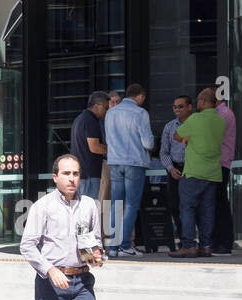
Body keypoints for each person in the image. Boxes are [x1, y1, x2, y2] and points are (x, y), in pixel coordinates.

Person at [20, 153, 104, 300]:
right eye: (66, 174)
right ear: (55, 177)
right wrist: (50, 269)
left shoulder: (89, 205)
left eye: (76, 174)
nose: (72, 179)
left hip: (82, 282)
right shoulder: (42, 206)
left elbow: (94, 241)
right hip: (51, 284)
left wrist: (96, 257)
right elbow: (27, 245)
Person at [169, 88, 227, 258]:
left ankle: (189, 245)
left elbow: (177, 135)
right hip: (213, 172)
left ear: (202, 101)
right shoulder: (220, 121)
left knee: (187, 208)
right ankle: (206, 246)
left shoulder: (195, 118)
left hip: (194, 171)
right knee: (207, 210)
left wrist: (187, 139)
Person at [104, 83, 155, 257]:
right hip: (134, 161)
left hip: (115, 162)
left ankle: (112, 247)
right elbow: (148, 142)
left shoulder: (110, 113)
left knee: (115, 204)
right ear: (140, 96)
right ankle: (125, 245)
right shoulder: (140, 113)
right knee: (131, 205)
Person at [159, 95, 193, 245]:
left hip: (192, 169)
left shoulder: (196, 124)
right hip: (174, 169)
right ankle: (183, 239)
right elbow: (164, 152)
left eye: (181, 106)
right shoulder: (169, 126)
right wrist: (170, 168)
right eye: (175, 107)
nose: (177, 109)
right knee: (175, 205)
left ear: (189, 107)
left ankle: (195, 239)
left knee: (192, 205)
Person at [70, 92, 109, 201]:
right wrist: (113, 150)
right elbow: (95, 147)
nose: (106, 111)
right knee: (88, 210)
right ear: (97, 106)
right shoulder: (91, 121)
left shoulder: (79, 119)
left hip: (81, 173)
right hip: (89, 175)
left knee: (79, 210)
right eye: (105, 108)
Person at [212, 99, 237, 255]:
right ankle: (221, 241)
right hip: (220, 163)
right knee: (218, 202)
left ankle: (224, 242)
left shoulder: (223, 114)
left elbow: (214, 136)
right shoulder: (223, 113)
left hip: (220, 162)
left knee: (220, 203)